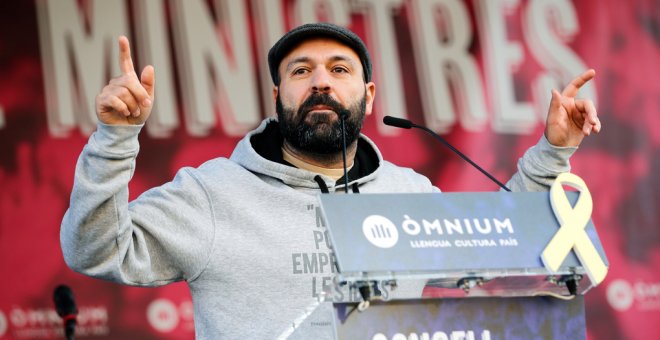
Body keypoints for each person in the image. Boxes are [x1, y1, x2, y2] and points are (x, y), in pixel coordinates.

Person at [61, 23, 600, 338]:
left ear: (367, 96)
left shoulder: (408, 194)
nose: (320, 81)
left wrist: (553, 151)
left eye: (339, 70)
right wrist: (115, 139)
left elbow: (504, 241)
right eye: (300, 72)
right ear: (277, 98)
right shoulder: (210, 193)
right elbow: (94, 249)